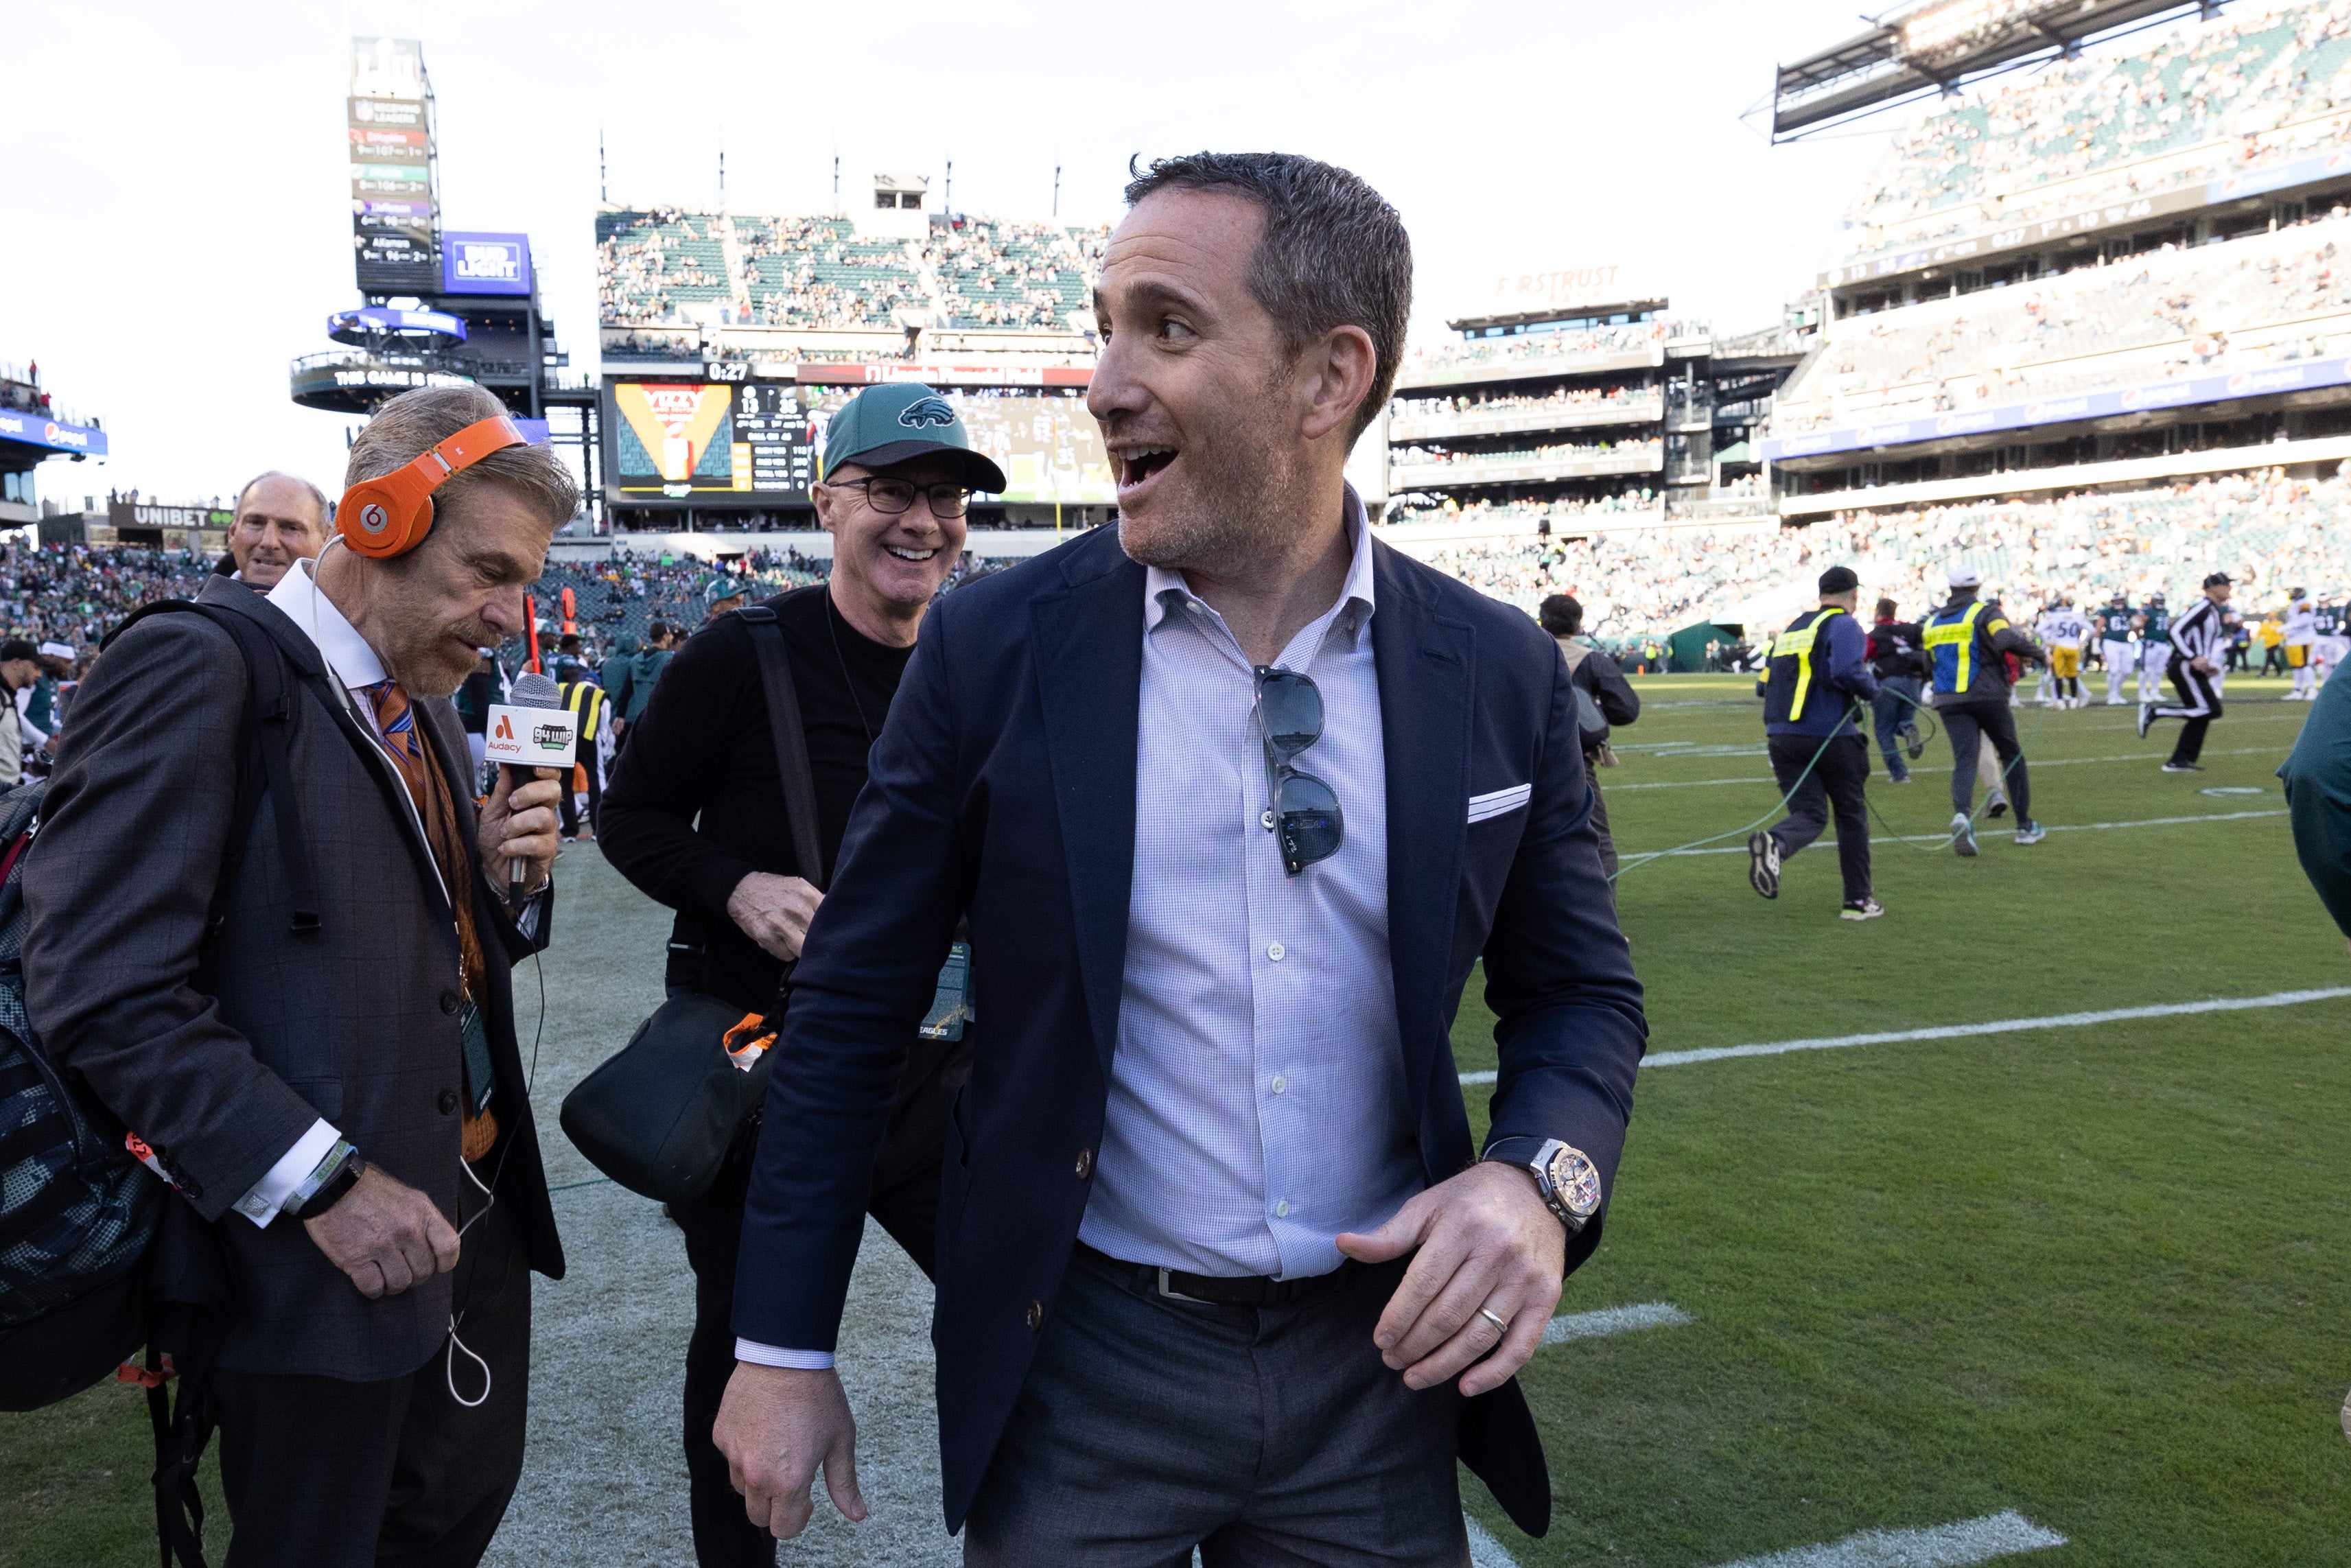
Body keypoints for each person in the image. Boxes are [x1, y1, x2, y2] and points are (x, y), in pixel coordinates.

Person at [713, 151, 1644, 1564]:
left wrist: (1541, 1179)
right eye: (1105, 326)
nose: (1100, 383)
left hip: (1377, 1370)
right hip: (1087, 1360)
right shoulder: (993, 646)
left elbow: (1580, 990)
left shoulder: (1498, 667)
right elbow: (847, 1007)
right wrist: (781, 1340)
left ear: (1330, 379)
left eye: (1167, 326)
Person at [21, 385, 575, 1567]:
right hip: (315, 1259)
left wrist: (493, 884)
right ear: (377, 522)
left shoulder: (415, 697)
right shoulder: (200, 664)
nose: (509, 615)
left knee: (444, 1525)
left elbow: (402, 946)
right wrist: (326, 1185)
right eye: (488, 571)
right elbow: (102, 986)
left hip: (462, 1227)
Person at [599, 384, 995, 1568]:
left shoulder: (983, 660)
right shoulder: (742, 651)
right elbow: (633, 818)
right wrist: (734, 886)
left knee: (1023, 1311)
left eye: (945, 496)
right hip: (769, 1075)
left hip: (939, 1074)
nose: (921, 520)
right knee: (743, 1347)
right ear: (827, 501)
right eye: (890, 491)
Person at [1748, 567, 1882, 920]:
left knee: (1809, 813)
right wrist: (1873, 692)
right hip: (1830, 736)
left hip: (1782, 737)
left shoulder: (1791, 629)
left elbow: (1763, 685)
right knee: (1851, 816)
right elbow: (1846, 671)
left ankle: (1776, 842)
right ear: (1855, 595)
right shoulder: (1845, 624)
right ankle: (1858, 901)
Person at [1924, 565, 2047, 856]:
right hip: (1987, 694)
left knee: (1965, 759)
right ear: (1977, 587)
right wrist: (2041, 654)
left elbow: (1927, 666)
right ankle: (2024, 827)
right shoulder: (1986, 613)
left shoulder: (1931, 623)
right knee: (2011, 755)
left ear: (1950, 588)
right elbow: (2006, 639)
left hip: (1948, 699)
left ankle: (1962, 815)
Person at [1539, 592, 1637, 879]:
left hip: (1518, 762)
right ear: (1578, 625)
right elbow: (1627, 709)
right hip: (1573, 762)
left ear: (1542, 621)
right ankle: (1600, 916)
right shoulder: (1590, 659)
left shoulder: (1523, 653)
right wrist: (1592, 713)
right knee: (1598, 842)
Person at [2141, 572, 2232, 771]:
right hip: (2184, 665)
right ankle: (2155, 711)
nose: (2228, 588)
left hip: (2190, 666)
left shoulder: (2214, 611)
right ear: (2211, 588)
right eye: (2224, 584)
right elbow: (2174, 631)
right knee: (2210, 709)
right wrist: (2193, 657)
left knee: (2204, 712)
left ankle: (2179, 760)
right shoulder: (2203, 608)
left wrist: (2205, 664)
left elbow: (2198, 640)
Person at [215, 471, 332, 590]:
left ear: (326, 540)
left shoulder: (341, 609)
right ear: (233, 532)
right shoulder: (199, 607)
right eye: (255, 523)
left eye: (291, 528)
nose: (269, 542)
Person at [1866, 597, 1927, 782]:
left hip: (1888, 684)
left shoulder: (1874, 635)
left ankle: (1899, 774)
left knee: (1884, 730)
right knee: (1901, 722)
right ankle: (1908, 728)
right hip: (1913, 684)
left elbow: (1862, 658)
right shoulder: (1912, 629)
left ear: (1877, 612)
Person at [557, 668, 609, 843]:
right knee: (595, 779)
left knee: (564, 781)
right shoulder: (599, 694)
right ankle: (598, 828)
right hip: (587, 737)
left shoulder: (564, 688)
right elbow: (603, 728)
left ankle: (569, 831)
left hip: (564, 735)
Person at [0, 638, 38, 786]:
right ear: (17, 663)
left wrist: (23, 766)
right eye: (35, 667)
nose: (38, 674)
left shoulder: (9, 697)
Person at [2039, 596, 2087, 708]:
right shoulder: (2077, 616)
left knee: (2057, 675)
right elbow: (2090, 630)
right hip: (2073, 647)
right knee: (2072, 675)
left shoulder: (2053, 616)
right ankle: (2073, 699)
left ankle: (2058, 700)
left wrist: (2048, 641)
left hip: (2057, 647)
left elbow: (2039, 630)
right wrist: (2081, 641)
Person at [2098, 591, 2137, 705]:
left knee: (2127, 670)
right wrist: (2096, 645)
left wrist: (2135, 624)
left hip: (2125, 642)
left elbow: (2139, 622)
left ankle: (2116, 693)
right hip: (2111, 642)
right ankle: (2112, 694)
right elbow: (2099, 627)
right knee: (2114, 669)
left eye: (2121, 601)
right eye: (2116, 601)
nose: (2119, 603)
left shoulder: (2130, 611)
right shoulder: (2107, 612)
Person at [2286, 588, 2317, 699]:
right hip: (2294, 640)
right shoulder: (2294, 605)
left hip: (2304, 639)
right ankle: (2298, 690)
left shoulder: (2304, 604)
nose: (2291, 594)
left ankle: (2312, 689)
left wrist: (2288, 627)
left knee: (2306, 665)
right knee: (2297, 667)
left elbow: (2306, 620)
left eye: (2293, 593)